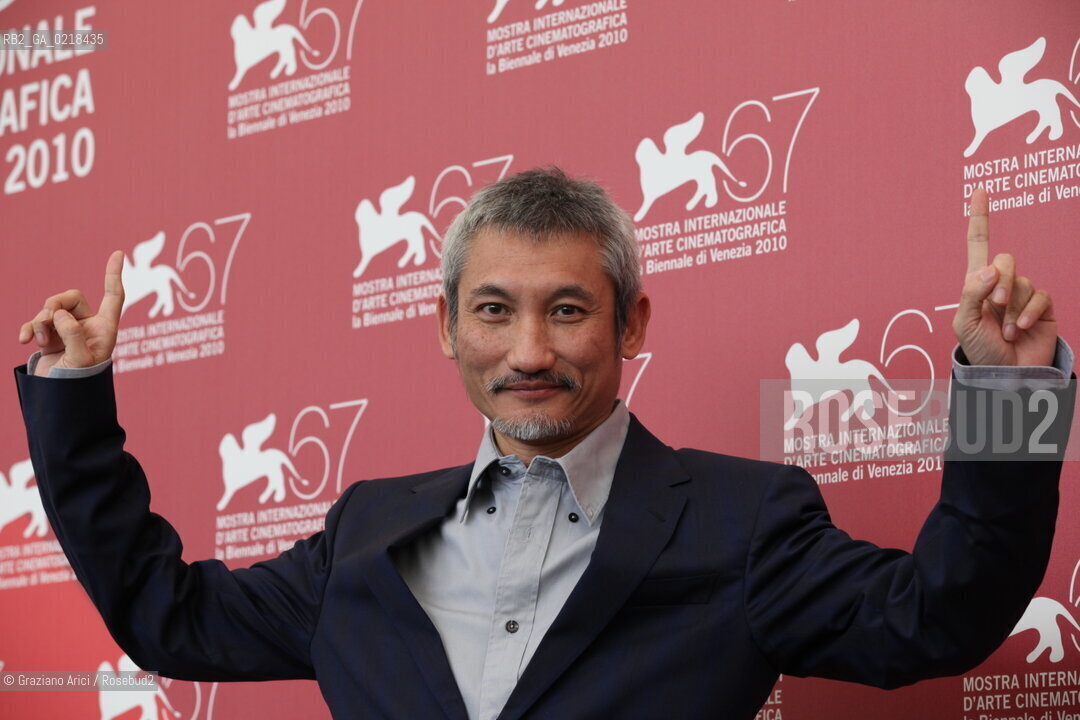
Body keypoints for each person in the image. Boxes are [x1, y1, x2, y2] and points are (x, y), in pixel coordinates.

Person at [13, 168, 1075, 720]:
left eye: (568, 310)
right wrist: (75, 395)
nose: (529, 350)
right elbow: (168, 617)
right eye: (493, 311)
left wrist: (1009, 395)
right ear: (444, 328)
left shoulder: (745, 522)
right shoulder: (363, 534)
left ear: (632, 327)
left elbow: (942, 616)